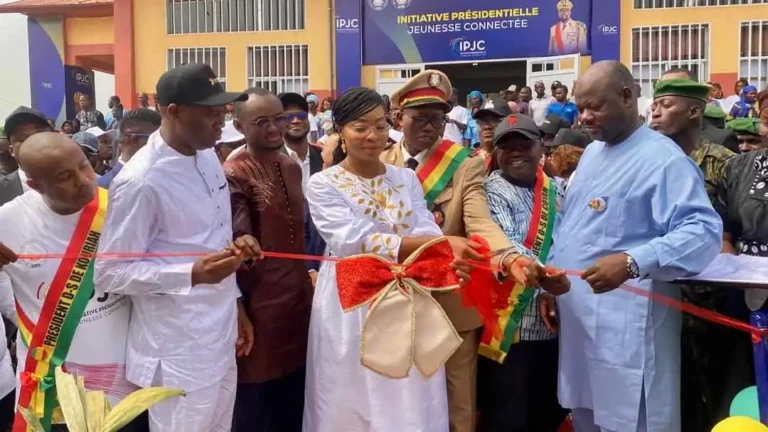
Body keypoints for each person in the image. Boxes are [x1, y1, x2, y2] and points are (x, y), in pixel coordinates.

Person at [384, 70, 568, 432]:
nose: (428, 127)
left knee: (461, 403)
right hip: (395, 297)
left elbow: (480, 221)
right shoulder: (379, 161)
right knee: (397, 396)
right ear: (398, 118)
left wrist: (509, 256)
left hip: (450, 297)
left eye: (436, 119)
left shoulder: (463, 164)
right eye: (419, 118)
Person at [303, 86, 490, 431]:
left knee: (410, 386)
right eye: (360, 127)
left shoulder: (404, 177)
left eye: (379, 125)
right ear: (340, 131)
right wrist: (443, 244)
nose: (372, 135)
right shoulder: (323, 183)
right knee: (354, 389)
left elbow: (425, 227)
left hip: (408, 296)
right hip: (353, 301)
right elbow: (351, 240)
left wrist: (444, 250)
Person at [554, 60, 722, 432]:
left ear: (627, 96)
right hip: (581, 328)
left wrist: (633, 261)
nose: (584, 118)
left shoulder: (662, 160)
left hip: (627, 334)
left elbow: (703, 232)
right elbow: (572, 227)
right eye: (580, 108)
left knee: (631, 420)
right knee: (587, 417)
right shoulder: (593, 154)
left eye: (594, 106)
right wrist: (552, 279)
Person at [94, 63, 255, 432]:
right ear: (174, 112)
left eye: (223, 113)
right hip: (177, 349)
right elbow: (110, 271)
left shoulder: (208, 157)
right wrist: (192, 273)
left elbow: (212, 239)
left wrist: (237, 303)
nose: (221, 123)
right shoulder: (141, 181)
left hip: (220, 332)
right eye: (211, 114)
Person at [0, 132, 141, 431]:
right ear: (35, 185)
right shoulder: (9, 222)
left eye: (84, 166)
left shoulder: (118, 206)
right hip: (53, 390)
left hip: (126, 385)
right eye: (65, 177)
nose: (84, 180)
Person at [648, 78, 736, 432]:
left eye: (667, 104)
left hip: (709, 303)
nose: (655, 110)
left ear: (695, 110)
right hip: (655, 298)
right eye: (654, 103)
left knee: (716, 394)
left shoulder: (724, 163)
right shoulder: (642, 161)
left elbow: (734, 229)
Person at [223, 88, 312, 431]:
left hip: (298, 300)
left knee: (295, 396)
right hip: (259, 306)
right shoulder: (233, 171)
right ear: (239, 125)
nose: (275, 128)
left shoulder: (290, 164)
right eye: (261, 122)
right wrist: (240, 306)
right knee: (254, 404)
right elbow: (237, 240)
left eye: (280, 118)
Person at [479, 114, 569, 432]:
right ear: (496, 153)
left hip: (556, 324)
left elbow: (572, 238)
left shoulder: (558, 189)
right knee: (508, 415)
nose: (516, 151)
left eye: (524, 144)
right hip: (510, 327)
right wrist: (549, 277)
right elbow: (507, 244)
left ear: (539, 147)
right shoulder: (490, 190)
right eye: (507, 145)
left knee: (549, 411)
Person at [1, 106, 53, 205]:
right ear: (12, 150)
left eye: (39, 135)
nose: (33, 142)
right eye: (23, 139)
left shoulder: (81, 180)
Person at [98, 108, 161, 188]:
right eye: (155, 138)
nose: (160, 144)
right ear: (135, 140)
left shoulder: (156, 177)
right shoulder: (107, 186)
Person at [280, 92, 324, 193]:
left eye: (301, 115)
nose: (296, 121)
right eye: (288, 117)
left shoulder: (323, 157)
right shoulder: (270, 161)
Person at [472, 96, 512, 167]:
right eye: (481, 121)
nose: (487, 127)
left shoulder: (518, 160)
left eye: (495, 120)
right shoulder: (469, 161)